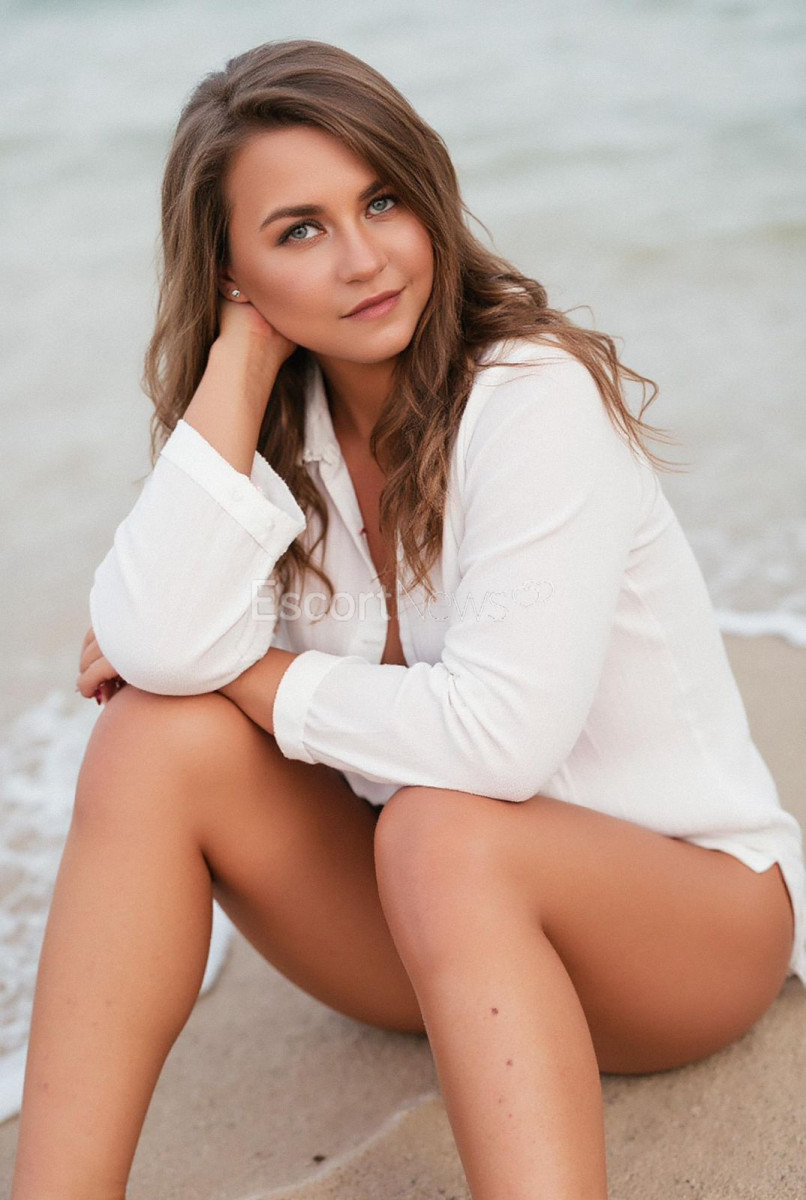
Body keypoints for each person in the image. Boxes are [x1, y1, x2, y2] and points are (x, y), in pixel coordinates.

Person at [11, 37, 804, 1200]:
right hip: (439, 937)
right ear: (231, 272)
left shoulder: (529, 398)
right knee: (149, 738)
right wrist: (238, 360)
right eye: (298, 231)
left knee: (440, 826)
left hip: (687, 934)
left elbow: (499, 741)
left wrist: (245, 669)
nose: (363, 258)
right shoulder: (275, 436)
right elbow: (150, 644)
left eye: (380, 200)